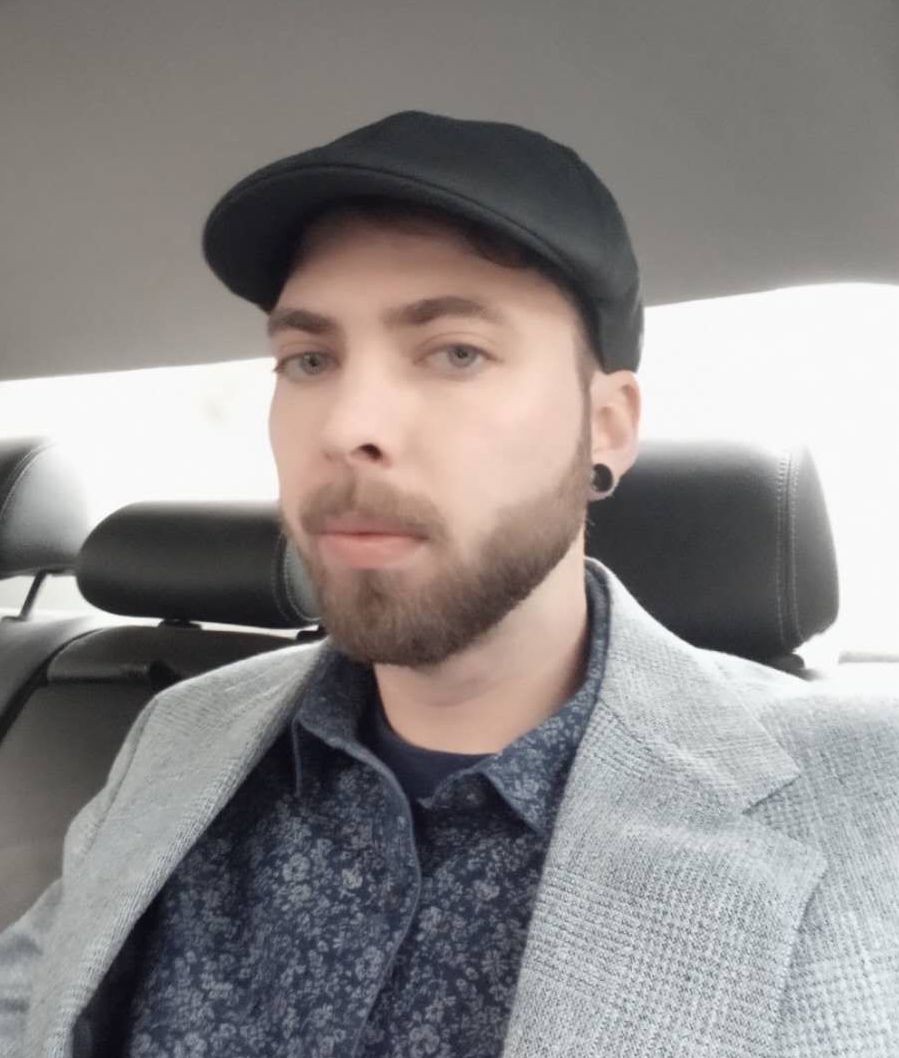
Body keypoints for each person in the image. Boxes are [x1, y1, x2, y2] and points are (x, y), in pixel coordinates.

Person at [2, 109, 897, 1057]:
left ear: (606, 425)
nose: (347, 425)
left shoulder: (869, 797)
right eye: (309, 360)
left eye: (456, 352)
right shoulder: (181, 733)